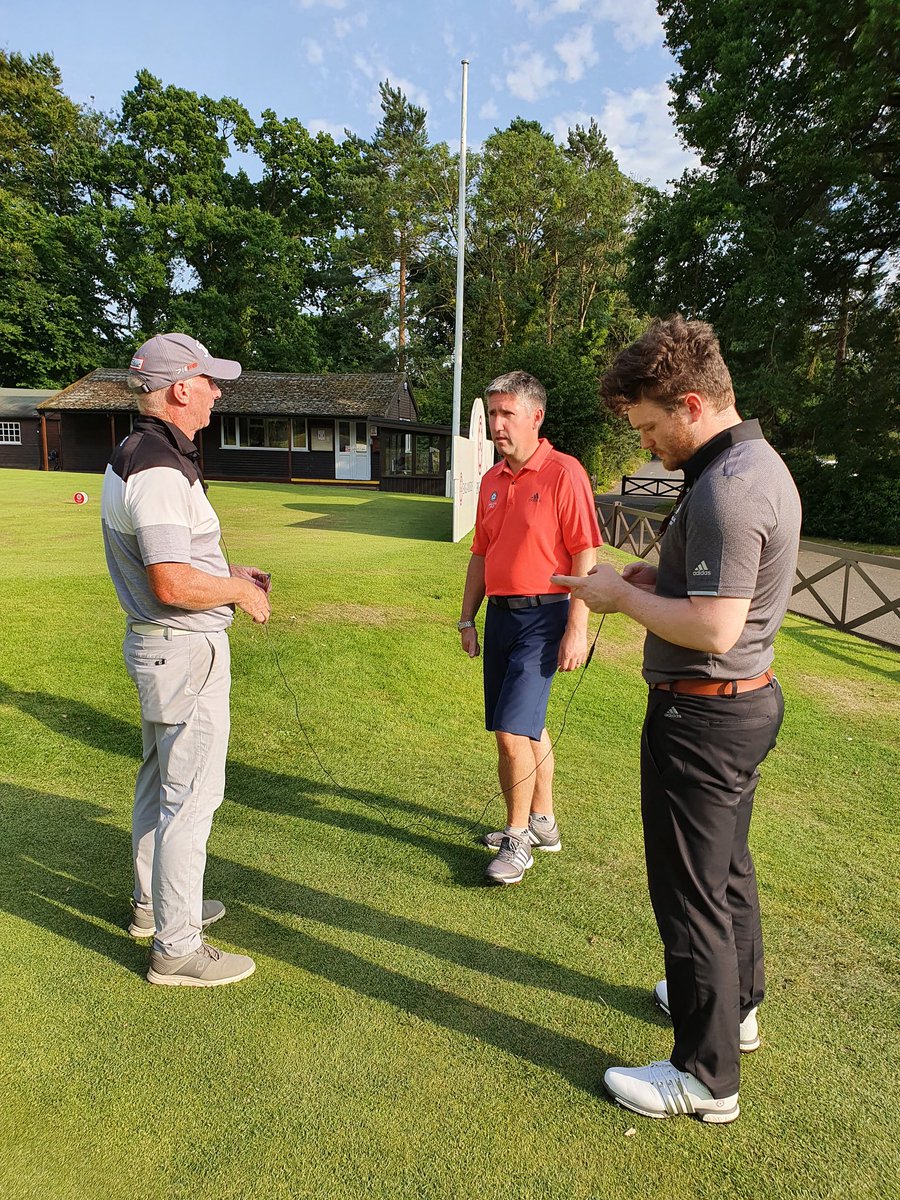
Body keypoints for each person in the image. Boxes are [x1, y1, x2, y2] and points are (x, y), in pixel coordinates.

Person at [552, 316, 801, 1122]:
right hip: (739, 705)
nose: (648, 443)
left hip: (703, 717)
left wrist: (617, 597)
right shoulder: (750, 463)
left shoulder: (729, 487)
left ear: (691, 404)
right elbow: (716, 586)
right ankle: (739, 1009)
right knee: (727, 873)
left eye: (651, 426)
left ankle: (704, 1077)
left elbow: (716, 627)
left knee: (691, 895)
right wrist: (652, 578)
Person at [101, 332, 271, 987]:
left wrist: (228, 572)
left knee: (159, 785)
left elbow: (174, 560)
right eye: (210, 382)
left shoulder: (139, 452)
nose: (217, 394)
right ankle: (175, 947)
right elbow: (171, 582)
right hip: (182, 651)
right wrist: (240, 594)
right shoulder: (159, 469)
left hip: (161, 649)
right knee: (190, 800)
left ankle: (155, 907)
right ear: (180, 388)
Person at [459, 371, 602, 885]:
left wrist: (576, 628)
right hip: (500, 617)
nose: (497, 424)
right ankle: (543, 822)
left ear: (535, 417)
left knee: (510, 732)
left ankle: (517, 839)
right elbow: (481, 554)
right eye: (493, 414)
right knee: (528, 725)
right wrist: (467, 618)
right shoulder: (492, 481)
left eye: (507, 414)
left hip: (545, 617)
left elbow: (585, 553)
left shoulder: (565, 473)